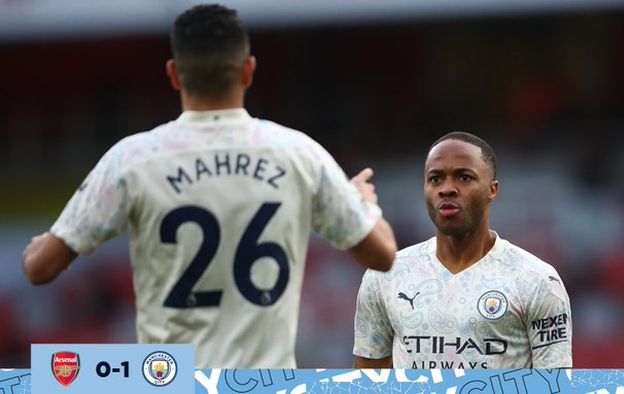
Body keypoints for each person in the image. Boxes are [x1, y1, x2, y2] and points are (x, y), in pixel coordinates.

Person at [23, 4, 397, 369]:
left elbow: (40, 268)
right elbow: (382, 255)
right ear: (248, 71)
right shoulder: (298, 153)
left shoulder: (134, 159)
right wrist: (364, 203)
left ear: (173, 74)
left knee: (59, 377)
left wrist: (43, 244)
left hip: (171, 381)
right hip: (261, 381)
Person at [353, 132, 572, 369]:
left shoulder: (537, 281)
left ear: (492, 190)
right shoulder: (385, 275)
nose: (447, 189)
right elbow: (369, 383)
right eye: (435, 179)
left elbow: (554, 386)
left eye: (464, 177)